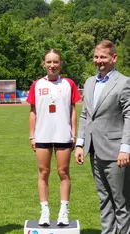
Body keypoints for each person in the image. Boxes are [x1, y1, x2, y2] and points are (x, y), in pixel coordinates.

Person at [74, 40, 130, 234]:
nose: (99, 61)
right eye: (96, 57)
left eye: (103, 57)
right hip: (94, 150)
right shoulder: (90, 82)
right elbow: (85, 114)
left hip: (116, 153)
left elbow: (129, 116)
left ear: (113, 58)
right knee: (103, 199)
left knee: (121, 202)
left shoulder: (124, 82)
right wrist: (80, 144)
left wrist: (125, 148)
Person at [26, 49, 81, 226]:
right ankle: (45, 212)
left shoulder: (69, 84)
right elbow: (33, 112)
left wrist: (74, 134)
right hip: (42, 134)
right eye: (49, 62)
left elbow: (73, 110)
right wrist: (31, 136)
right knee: (43, 172)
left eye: (55, 62)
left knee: (63, 172)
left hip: (63, 135)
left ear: (61, 63)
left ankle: (64, 211)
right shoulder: (37, 85)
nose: (52, 65)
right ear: (44, 63)